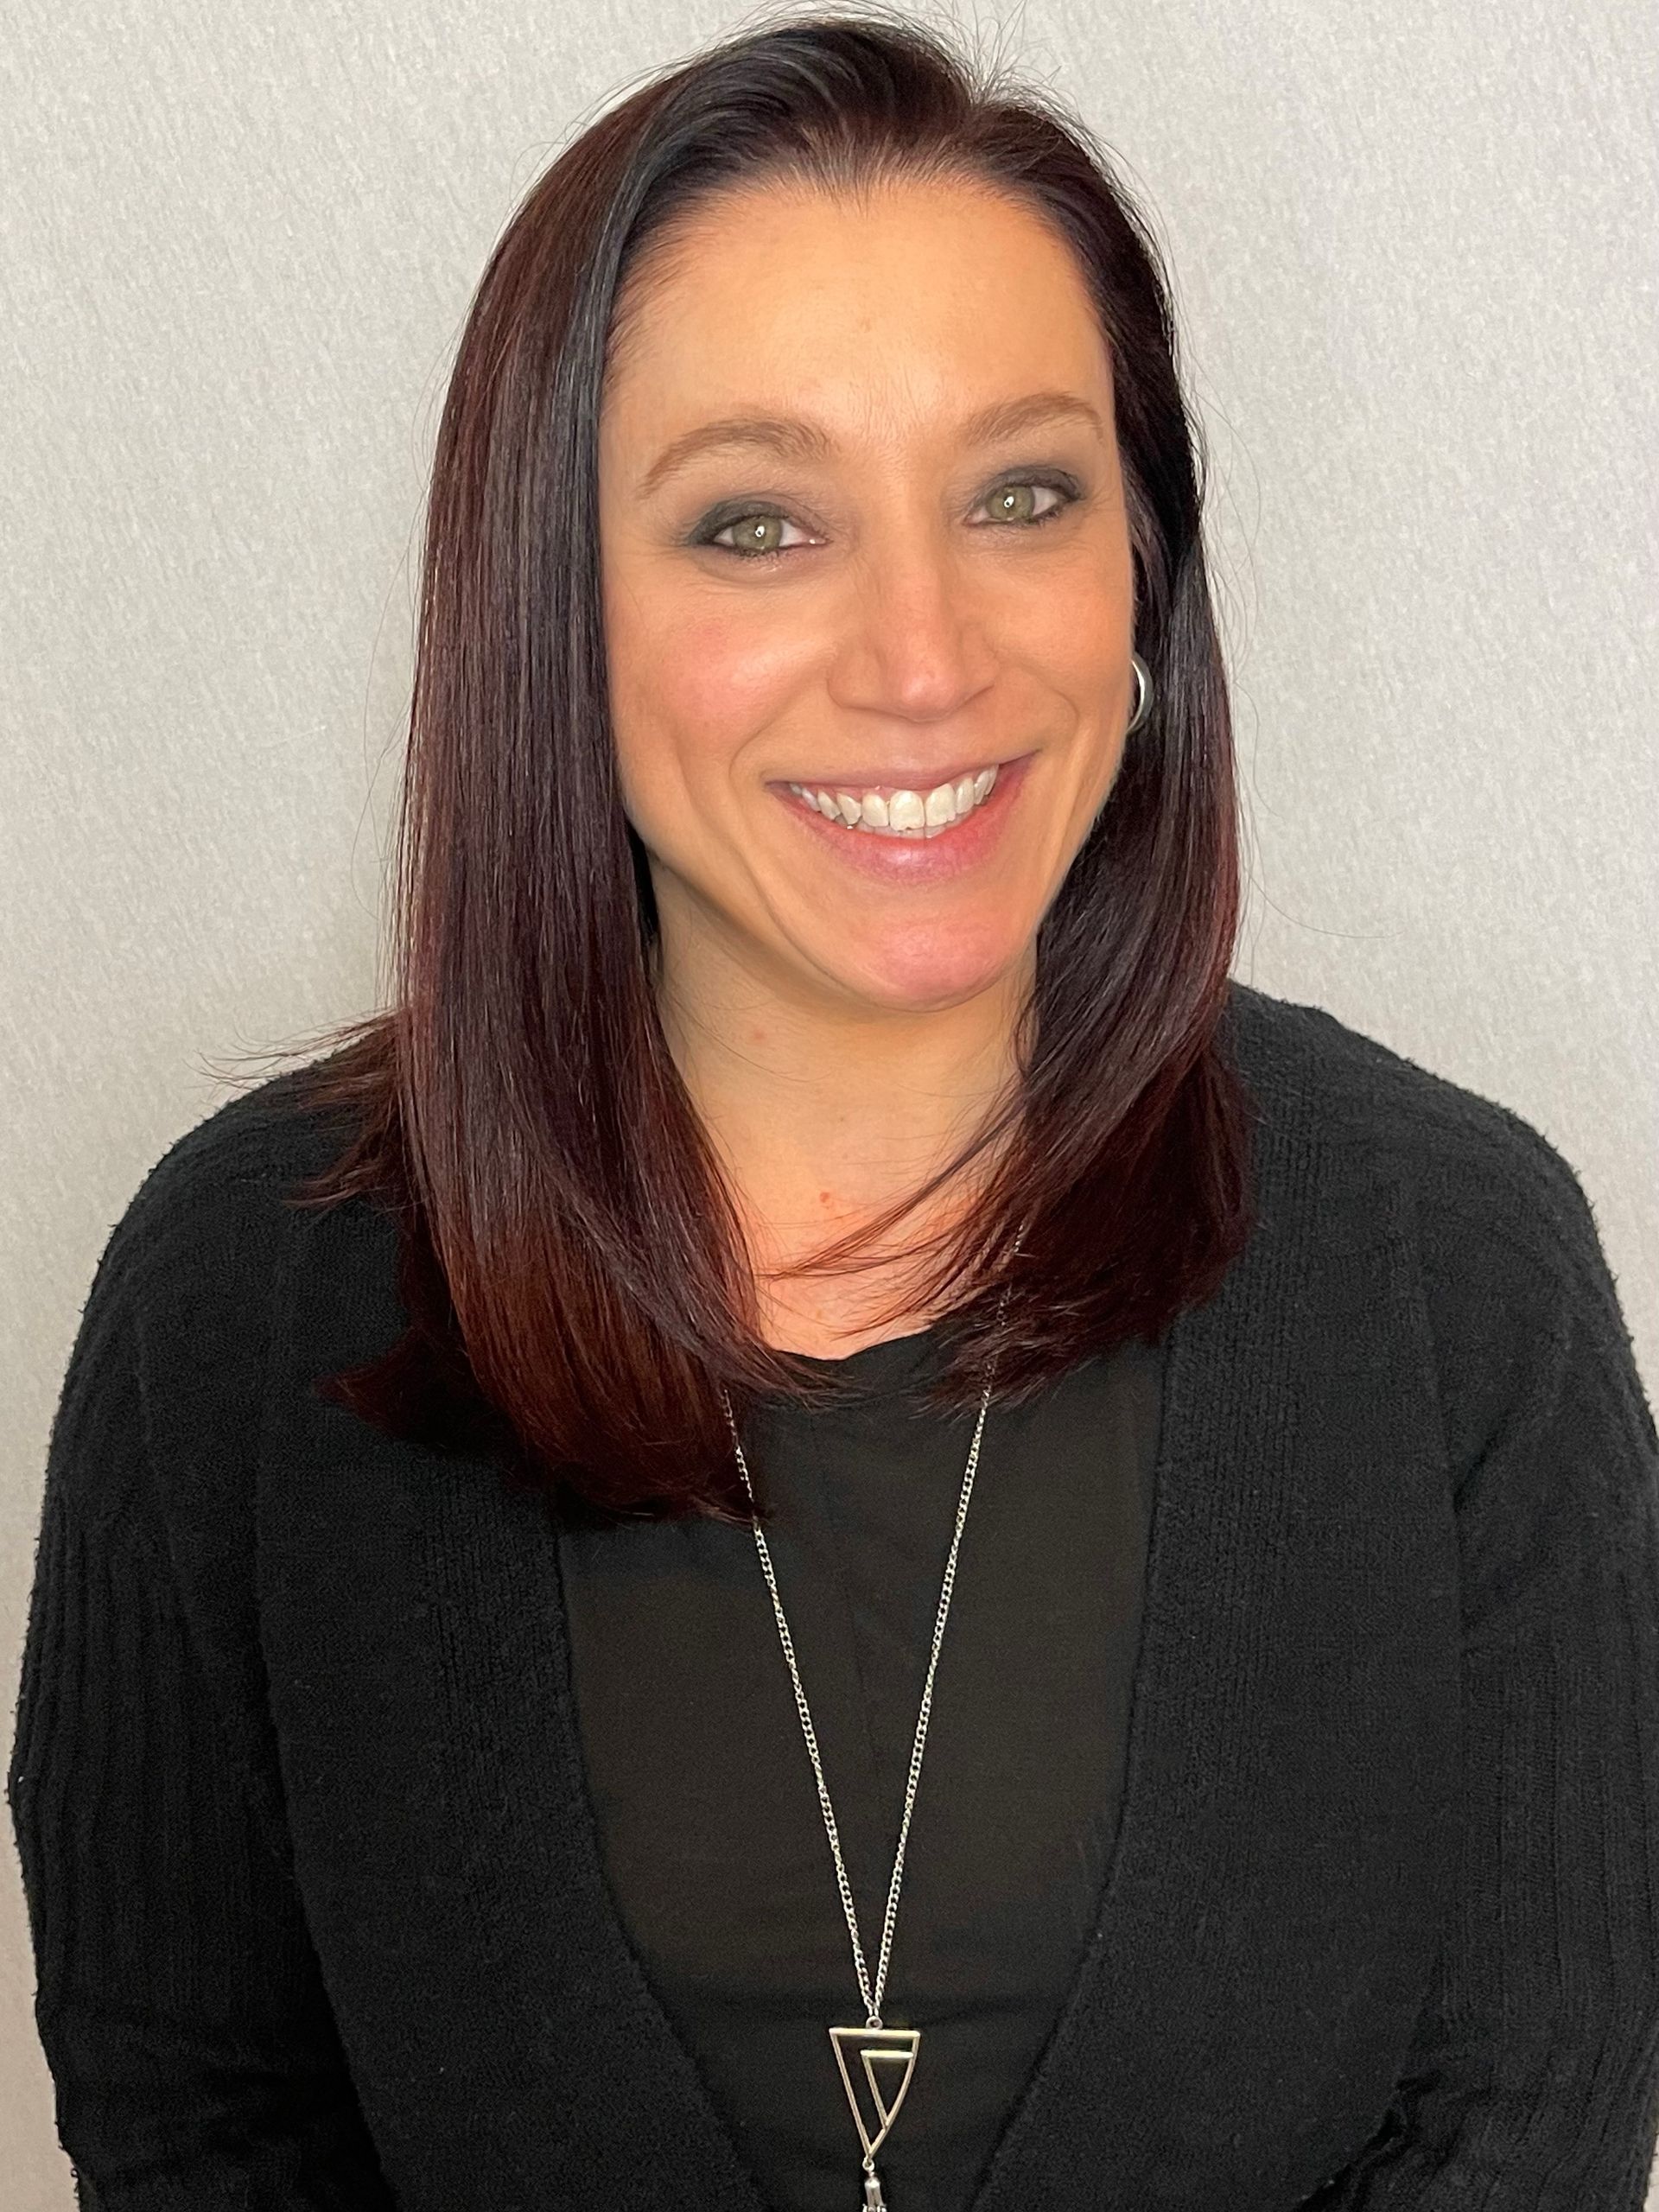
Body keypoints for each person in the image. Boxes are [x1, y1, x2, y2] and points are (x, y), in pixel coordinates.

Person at [10, 12, 1659, 2211]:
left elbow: (1527, 2131)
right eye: (757, 521)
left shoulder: (1459, 1271)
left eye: (1022, 493)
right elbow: (199, 2117)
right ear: (552, 615)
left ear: (1145, 575)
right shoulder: (240, 1292)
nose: (921, 652)